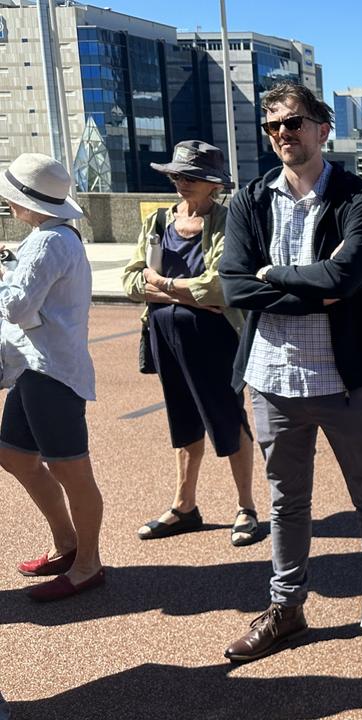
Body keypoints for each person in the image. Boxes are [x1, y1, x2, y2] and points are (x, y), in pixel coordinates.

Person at [217, 82, 362, 667]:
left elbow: (345, 278)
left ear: (323, 127)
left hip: (345, 378)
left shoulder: (358, 195)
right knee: (286, 502)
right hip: (273, 379)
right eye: (273, 126)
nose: (282, 134)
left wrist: (274, 278)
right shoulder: (250, 200)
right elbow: (234, 284)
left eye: (294, 122)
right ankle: (287, 609)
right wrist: (304, 286)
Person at [121, 140, 260, 546]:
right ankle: (185, 506)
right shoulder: (159, 222)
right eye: (178, 174)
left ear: (213, 185)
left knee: (227, 417)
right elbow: (130, 281)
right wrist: (174, 293)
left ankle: (246, 507)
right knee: (182, 419)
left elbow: (219, 286)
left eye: (192, 176)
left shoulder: (228, 221)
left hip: (215, 338)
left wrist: (159, 283)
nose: (182, 182)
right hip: (165, 335)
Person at [0, 153, 105, 602]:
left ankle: (87, 564)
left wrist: (4, 274)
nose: (7, 205)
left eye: (11, 199)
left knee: (71, 470)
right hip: (36, 367)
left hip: (50, 371)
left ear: (26, 203)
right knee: (14, 455)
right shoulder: (55, 237)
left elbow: (17, 308)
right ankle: (69, 546)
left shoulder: (47, 242)